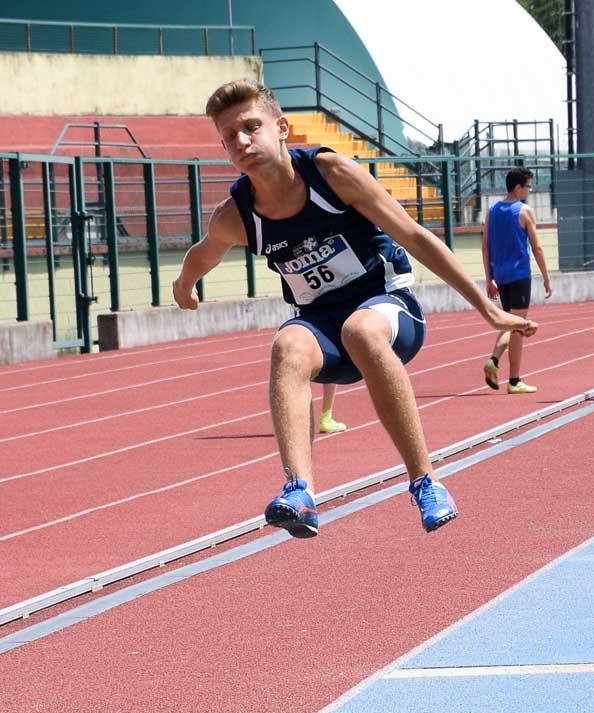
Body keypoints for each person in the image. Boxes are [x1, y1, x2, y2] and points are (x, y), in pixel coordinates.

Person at [173, 79, 538, 539]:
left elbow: (414, 235)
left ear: (281, 127)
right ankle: (299, 492)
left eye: (251, 127)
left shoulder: (331, 173)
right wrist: (185, 283)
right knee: (287, 343)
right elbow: (204, 251)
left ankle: (425, 481)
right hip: (323, 328)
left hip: (386, 308)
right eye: (229, 136)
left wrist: (488, 310)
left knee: (360, 329)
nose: (242, 141)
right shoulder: (236, 214)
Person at [482, 167, 552, 393]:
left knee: (511, 323)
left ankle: (507, 372)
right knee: (518, 327)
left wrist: (489, 279)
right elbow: (537, 248)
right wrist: (546, 277)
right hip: (519, 275)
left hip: (500, 276)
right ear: (518, 187)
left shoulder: (492, 211)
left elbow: (485, 247)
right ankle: (510, 377)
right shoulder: (525, 211)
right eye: (528, 186)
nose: (529, 190)